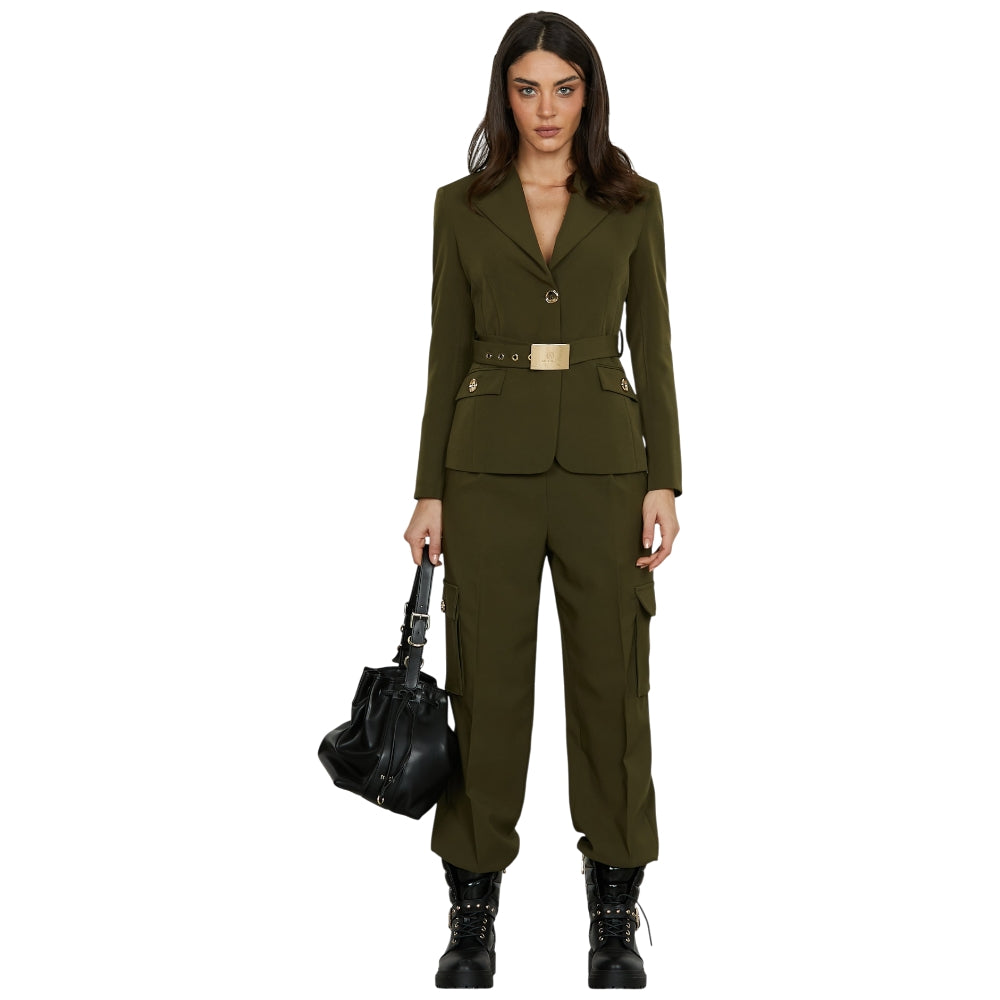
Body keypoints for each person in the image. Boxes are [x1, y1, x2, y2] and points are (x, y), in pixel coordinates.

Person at [403, 11, 682, 990]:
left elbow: (654, 344)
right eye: (527, 89)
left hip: (606, 468)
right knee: (487, 688)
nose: (546, 109)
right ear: (504, 95)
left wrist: (663, 475)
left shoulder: (634, 202)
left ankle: (613, 914)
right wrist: (429, 489)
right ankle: (472, 913)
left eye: (564, 88)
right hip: (486, 472)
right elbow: (445, 349)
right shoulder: (462, 206)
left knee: (613, 689)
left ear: (587, 95)